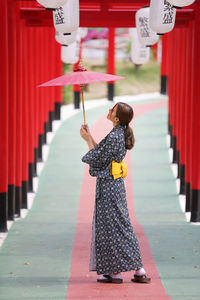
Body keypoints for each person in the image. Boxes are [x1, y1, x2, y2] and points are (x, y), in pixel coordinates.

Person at [80, 102, 151, 284]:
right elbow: (102, 153)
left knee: (113, 227)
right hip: (114, 185)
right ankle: (125, 271)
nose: (109, 111)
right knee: (119, 226)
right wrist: (90, 137)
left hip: (109, 187)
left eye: (112, 110)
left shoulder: (115, 136)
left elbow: (98, 158)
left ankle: (127, 271)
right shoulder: (117, 134)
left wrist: (87, 140)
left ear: (116, 118)